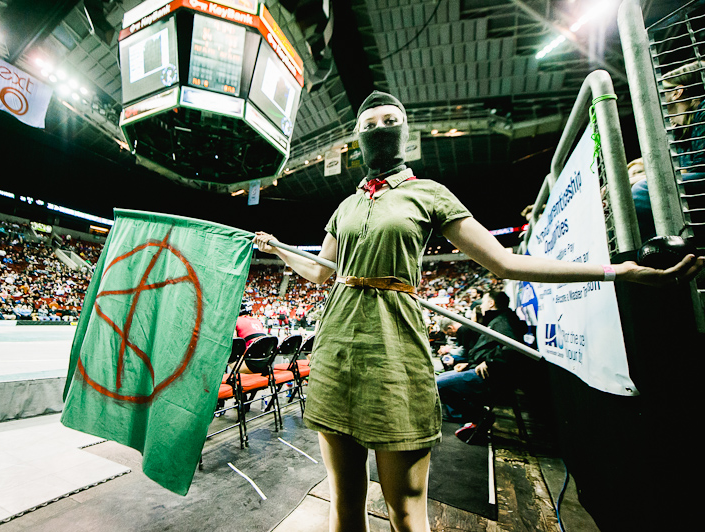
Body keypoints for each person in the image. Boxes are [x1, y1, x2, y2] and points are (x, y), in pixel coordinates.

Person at [254, 90, 704, 532]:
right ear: (356, 138)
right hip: (335, 353)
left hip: (395, 354)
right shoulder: (346, 206)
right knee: (344, 506)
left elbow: (505, 261)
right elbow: (319, 273)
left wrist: (616, 271)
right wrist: (277, 248)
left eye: (390, 122)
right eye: (369, 126)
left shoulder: (429, 193)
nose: (379, 131)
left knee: (406, 513)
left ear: (404, 133)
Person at [633, 61, 705, 241]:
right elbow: (682, 172)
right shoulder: (681, 131)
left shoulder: (702, 113)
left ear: (677, 93)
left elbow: (699, 172)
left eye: (661, 91)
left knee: (643, 191)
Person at [435, 289, 523, 431]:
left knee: (439, 385)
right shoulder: (498, 320)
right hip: (481, 369)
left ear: (491, 303)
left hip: (490, 376)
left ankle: (477, 416)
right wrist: (469, 363)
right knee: (442, 378)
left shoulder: (502, 321)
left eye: (483, 303)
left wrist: (489, 363)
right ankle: (475, 416)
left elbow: (512, 348)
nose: (480, 306)